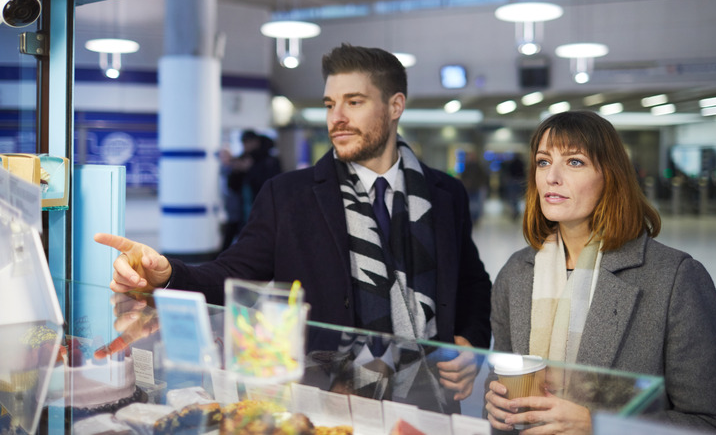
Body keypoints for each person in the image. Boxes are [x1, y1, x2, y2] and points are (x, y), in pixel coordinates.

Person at [94, 44, 491, 404]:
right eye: (330, 103)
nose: (337, 117)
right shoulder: (288, 196)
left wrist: (470, 343)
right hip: (328, 395)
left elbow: (472, 282)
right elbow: (232, 272)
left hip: (429, 398)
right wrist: (167, 273)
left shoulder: (444, 194)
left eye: (354, 102)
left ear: (395, 105)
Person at [485, 111, 716, 433]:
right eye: (543, 161)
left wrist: (598, 426)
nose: (552, 177)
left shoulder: (674, 278)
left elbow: (714, 425)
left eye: (574, 162)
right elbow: (499, 384)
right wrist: (496, 408)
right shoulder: (517, 273)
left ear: (611, 175)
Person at [219, 130, 282, 251]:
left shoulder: (269, 160)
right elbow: (232, 186)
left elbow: (271, 183)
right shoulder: (243, 158)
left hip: (263, 209)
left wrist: (250, 170)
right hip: (242, 211)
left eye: (248, 142)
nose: (246, 146)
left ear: (256, 142)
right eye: (244, 142)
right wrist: (237, 171)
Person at [460, 151, 490, 224]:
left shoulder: (479, 166)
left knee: (476, 204)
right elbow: (463, 176)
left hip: (476, 188)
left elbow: (483, 177)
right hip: (469, 188)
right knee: (469, 203)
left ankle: (475, 218)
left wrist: (479, 184)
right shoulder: (466, 166)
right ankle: (470, 217)